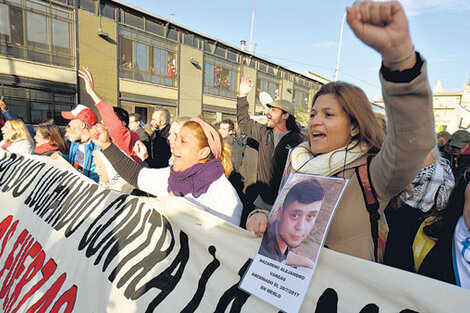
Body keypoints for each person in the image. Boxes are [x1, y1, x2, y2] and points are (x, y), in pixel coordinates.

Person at [247, 0, 436, 262]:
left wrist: (400, 59)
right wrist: (261, 218)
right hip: (285, 291)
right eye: (313, 114)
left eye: (328, 115)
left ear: (355, 127)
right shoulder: (298, 165)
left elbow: (412, 139)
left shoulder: (372, 173)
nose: (314, 122)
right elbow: (285, 226)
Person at [92, 118, 243, 226]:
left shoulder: (227, 199)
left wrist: (173, 207)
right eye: (175, 138)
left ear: (203, 152)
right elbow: (136, 175)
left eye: (183, 141)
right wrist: (106, 145)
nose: (174, 145)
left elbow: (221, 249)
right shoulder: (173, 176)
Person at [237, 78, 304, 214]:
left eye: (273, 110)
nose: (268, 113)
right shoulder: (263, 132)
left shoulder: (298, 141)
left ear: (285, 115)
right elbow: (244, 122)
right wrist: (242, 95)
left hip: (284, 205)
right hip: (262, 202)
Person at [383, 147, 454, 271]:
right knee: (407, 260)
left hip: (401, 216)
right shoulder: (444, 168)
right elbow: (444, 200)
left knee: (394, 255)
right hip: (424, 218)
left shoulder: (404, 164)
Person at [79, 68, 143, 164]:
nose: (104, 122)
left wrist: (92, 92)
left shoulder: (123, 137)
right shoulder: (113, 138)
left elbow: (113, 122)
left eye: (110, 119)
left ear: (122, 124)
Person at [259, 179, 324, 266]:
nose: (301, 227)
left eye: (310, 216)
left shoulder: (279, 245)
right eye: (294, 215)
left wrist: (305, 262)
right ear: (280, 213)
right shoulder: (264, 245)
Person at [61, 104, 100, 182]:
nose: (69, 124)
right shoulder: (75, 143)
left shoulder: (98, 146)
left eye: (72, 120)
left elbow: (98, 175)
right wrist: (62, 156)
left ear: (82, 125)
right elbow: (76, 163)